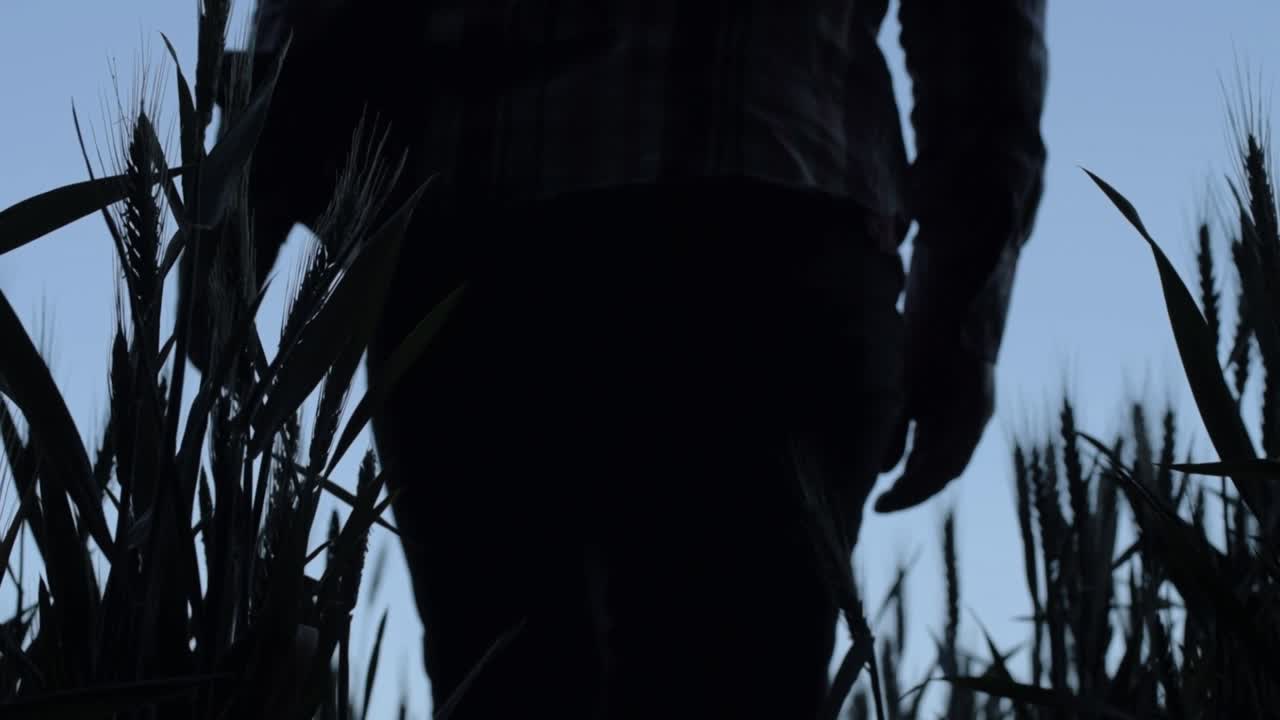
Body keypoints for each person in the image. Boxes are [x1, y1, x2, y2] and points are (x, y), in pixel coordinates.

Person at [191, 1, 1047, 717]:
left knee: (510, 692)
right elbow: (983, 26)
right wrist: (965, 302)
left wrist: (246, 202)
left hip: (474, 237)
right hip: (764, 219)